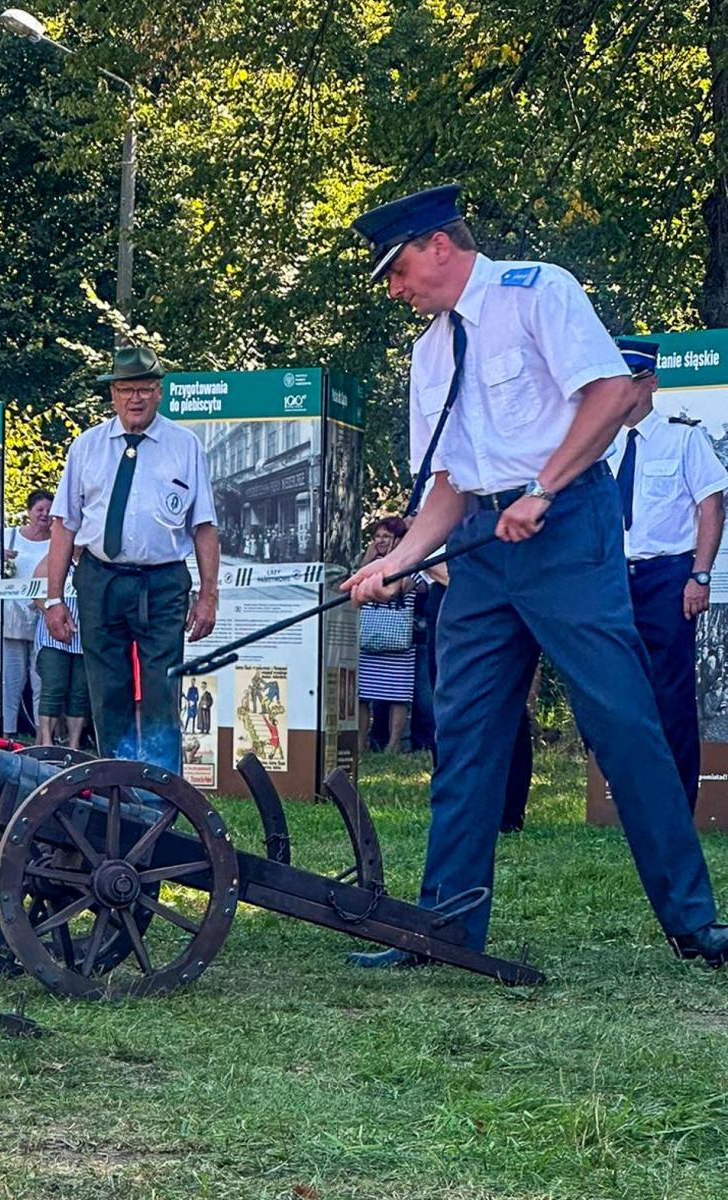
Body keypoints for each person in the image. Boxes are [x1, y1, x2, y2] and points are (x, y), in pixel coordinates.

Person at [343, 182, 727, 966]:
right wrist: (399, 559)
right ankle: (444, 928)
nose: (394, 287)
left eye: (397, 268)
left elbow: (612, 394)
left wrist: (544, 486)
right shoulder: (428, 351)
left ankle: (694, 924)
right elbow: (448, 483)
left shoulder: (537, 290)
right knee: (466, 732)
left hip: (564, 528)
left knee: (623, 721)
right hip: (484, 547)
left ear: (439, 246)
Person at [44, 345, 220, 771]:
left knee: (162, 688)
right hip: (99, 579)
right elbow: (64, 524)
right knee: (108, 690)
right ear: (113, 395)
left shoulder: (185, 446)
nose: (135, 398)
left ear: (159, 393)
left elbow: (204, 527)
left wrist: (209, 595)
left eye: (144, 388)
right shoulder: (86, 447)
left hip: (162, 583)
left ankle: (162, 793)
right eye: (125, 389)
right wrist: (53, 599)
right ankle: (117, 791)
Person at [605, 336, 727, 813]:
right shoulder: (600, 445)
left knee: (671, 694)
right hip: (613, 578)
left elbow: (712, 507)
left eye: (629, 383)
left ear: (650, 382)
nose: (620, 393)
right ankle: (634, 799)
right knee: (619, 691)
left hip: (667, 577)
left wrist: (699, 576)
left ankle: (677, 803)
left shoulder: (684, 437)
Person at [356, 517, 424, 753]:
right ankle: (361, 742)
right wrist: (368, 559)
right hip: (369, 638)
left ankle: (392, 745)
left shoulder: (411, 567)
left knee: (398, 694)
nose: (381, 541)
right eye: (378, 537)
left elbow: (402, 587)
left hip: (398, 640)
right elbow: (354, 586)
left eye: (387, 536)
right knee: (363, 694)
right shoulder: (369, 564)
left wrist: (397, 558)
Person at [1, 491, 53, 735]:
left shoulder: (58, 541)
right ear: (29, 511)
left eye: (49, 510)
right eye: (39, 509)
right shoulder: (9, 536)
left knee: (40, 680)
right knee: (11, 680)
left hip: (44, 616)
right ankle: (7, 733)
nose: (44, 514)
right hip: (12, 616)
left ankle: (42, 737)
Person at [31, 559, 89, 749]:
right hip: (53, 636)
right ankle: (47, 742)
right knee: (53, 687)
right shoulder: (52, 558)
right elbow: (35, 592)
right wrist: (51, 614)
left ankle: (74, 745)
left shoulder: (94, 559)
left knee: (79, 692)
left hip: (84, 638)